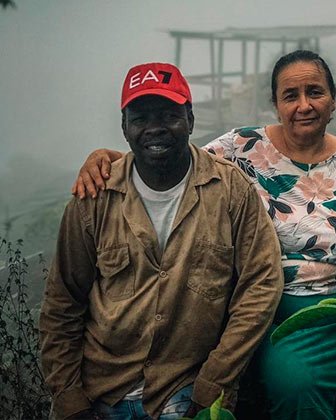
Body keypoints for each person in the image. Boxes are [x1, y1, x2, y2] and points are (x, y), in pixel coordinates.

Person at [73, 50, 336, 419]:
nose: (304, 105)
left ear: (332, 100)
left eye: (315, 92)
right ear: (275, 104)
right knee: (295, 383)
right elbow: (170, 160)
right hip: (275, 312)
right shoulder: (242, 149)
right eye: (290, 95)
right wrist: (105, 157)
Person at [41, 62, 284, 420]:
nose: (155, 128)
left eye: (168, 115)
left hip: (185, 388)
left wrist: (214, 383)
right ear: (124, 128)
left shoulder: (229, 190)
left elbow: (261, 285)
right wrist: (69, 397)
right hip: (101, 389)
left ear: (190, 118)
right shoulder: (94, 197)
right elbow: (63, 302)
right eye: (140, 118)